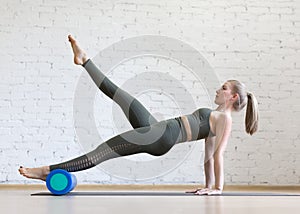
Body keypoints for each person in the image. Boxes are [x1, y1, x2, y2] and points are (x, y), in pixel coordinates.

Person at [19, 35, 259, 195]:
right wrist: (207, 186)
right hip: (156, 128)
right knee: (120, 94)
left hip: (158, 137)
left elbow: (218, 155)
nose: (219, 89)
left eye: (224, 88)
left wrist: (218, 187)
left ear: (233, 98)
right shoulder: (216, 116)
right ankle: (84, 60)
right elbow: (207, 155)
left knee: (101, 152)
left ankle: (46, 170)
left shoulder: (225, 119)